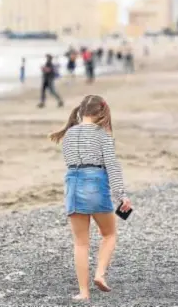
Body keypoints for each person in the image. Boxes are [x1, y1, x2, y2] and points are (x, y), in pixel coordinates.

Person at [48, 95, 133, 301]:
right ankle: (100, 274)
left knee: (80, 243)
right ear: (101, 113)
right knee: (109, 234)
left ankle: (83, 292)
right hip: (94, 182)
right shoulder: (102, 134)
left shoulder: (68, 134)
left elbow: (71, 162)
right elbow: (112, 166)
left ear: (81, 112)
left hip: (72, 184)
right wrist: (121, 195)